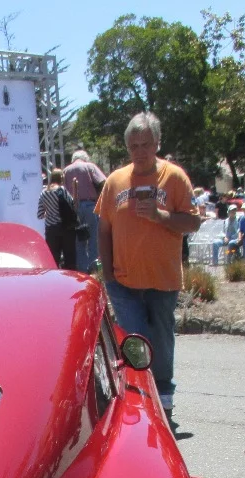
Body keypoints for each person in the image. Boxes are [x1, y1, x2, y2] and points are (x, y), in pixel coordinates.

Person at [96, 111, 201, 420]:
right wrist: (108, 273)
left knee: (162, 340)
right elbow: (104, 229)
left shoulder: (174, 177)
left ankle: (164, 396)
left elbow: (193, 222)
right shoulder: (115, 181)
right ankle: (140, 399)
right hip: (124, 281)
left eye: (145, 144)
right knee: (135, 341)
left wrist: (160, 216)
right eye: (133, 146)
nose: (139, 152)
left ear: (157, 143)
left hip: (162, 279)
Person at [63, 149, 106, 271]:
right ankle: (94, 269)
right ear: (85, 158)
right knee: (93, 239)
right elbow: (103, 182)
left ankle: (82, 270)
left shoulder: (66, 170)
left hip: (73, 208)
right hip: (89, 205)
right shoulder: (89, 166)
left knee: (79, 241)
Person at [38, 168, 77, 270]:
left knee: (53, 259)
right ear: (61, 178)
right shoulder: (62, 190)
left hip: (51, 230)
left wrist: (50, 212)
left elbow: (40, 214)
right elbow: (73, 204)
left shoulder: (43, 193)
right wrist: (75, 188)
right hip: (65, 227)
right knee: (69, 259)